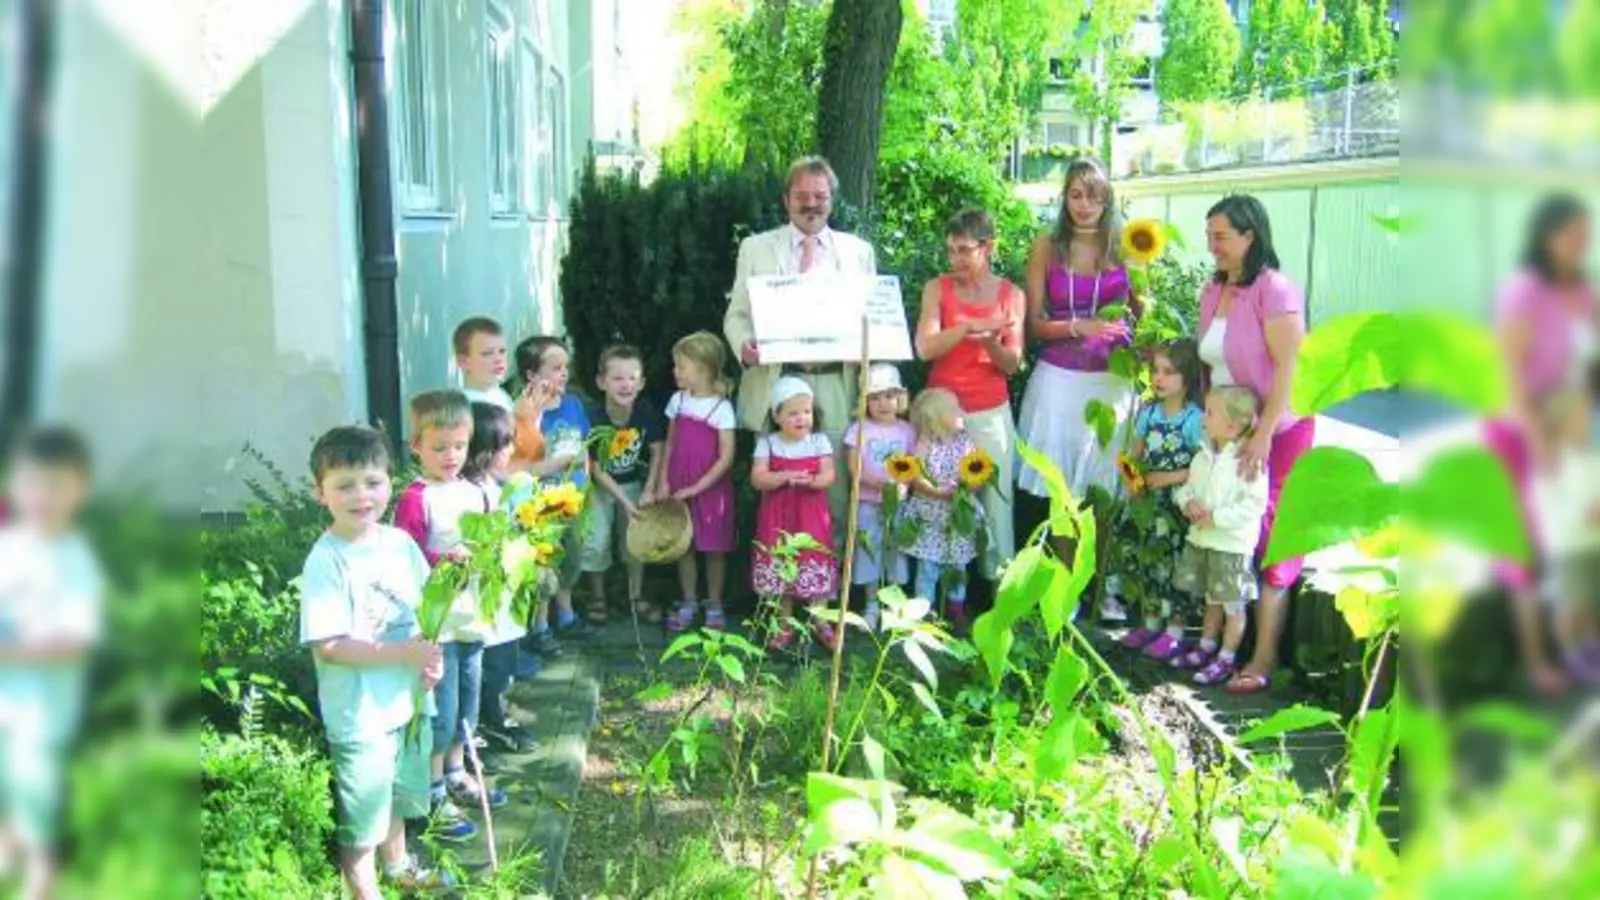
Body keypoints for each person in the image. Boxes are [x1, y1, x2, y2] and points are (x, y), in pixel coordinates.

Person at [296, 425, 448, 897]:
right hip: (360, 714)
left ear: (390, 482)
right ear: (320, 493)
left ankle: (399, 866)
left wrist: (429, 659)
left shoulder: (400, 545)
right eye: (344, 485)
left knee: (396, 796)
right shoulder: (327, 560)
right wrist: (404, 652)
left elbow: (427, 612)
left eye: (372, 482)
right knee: (363, 816)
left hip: (404, 702)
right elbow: (330, 645)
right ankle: (364, 890)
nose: (361, 495)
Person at [723, 156, 878, 539]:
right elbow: (736, 315)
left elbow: (874, 318)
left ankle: (829, 585)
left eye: (820, 195)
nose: (811, 204)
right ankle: (780, 590)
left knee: (836, 487)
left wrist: (868, 346)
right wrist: (744, 345)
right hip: (779, 380)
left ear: (833, 200)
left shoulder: (858, 252)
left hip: (835, 382)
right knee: (777, 491)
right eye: (802, 195)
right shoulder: (756, 249)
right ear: (786, 199)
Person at [1194, 194, 1312, 695]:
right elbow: (1209, 363)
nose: (1211, 245)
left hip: (1278, 433)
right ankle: (1226, 647)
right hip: (1230, 433)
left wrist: (1262, 434)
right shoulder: (1212, 290)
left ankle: (1262, 661)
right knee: (1224, 531)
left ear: (1250, 236)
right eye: (1209, 235)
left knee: (1270, 538)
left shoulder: (1274, 289)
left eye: (1220, 235)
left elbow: (1290, 365)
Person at [1488, 193, 1597, 694]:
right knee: (1526, 551)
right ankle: (1537, 661)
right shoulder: (1523, 292)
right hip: (1520, 434)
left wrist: (1573, 430)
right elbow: (1508, 377)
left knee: (1575, 543)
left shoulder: (1584, 291)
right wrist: (1541, 445)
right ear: (1545, 235)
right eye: (1571, 233)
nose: (1581, 243)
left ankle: (1578, 645)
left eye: (1585, 233)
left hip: (1568, 430)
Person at [390, 391, 506, 841]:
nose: (450, 456)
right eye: (438, 447)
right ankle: (434, 788)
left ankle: (458, 770)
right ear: (416, 445)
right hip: (437, 623)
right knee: (442, 710)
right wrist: (443, 560)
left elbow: (492, 543)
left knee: (469, 703)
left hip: (473, 616)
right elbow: (405, 556)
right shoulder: (417, 498)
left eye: (458, 445)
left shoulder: (475, 491)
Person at [0, 428, 103, 900]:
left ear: (78, 491)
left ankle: (43, 866)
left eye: (55, 485)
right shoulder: (9, 545)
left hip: (44, 706)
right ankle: (9, 845)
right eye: (31, 483)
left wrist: (13, 651)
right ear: (14, 486)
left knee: (33, 782)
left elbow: (74, 644)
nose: (41, 496)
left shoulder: (73, 558)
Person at [1016, 158, 1137, 512]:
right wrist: (1078, 326)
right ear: (1064, 198)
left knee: (1104, 492)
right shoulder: (1047, 245)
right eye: (1076, 195)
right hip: (1058, 381)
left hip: (1112, 380)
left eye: (1095, 196)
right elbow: (1034, 325)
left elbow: (1141, 317)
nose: (1085, 205)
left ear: (1108, 199)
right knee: (1058, 495)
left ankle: (1099, 569)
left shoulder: (1127, 245)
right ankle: (1060, 566)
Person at [915, 208, 1024, 584]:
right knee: (935, 501)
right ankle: (935, 600)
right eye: (950, 250)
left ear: (988, 247)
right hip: (941, 414)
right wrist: (968, 327)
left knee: (997, 505)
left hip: (990, 410)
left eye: (963, 250)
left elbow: (1012, 364)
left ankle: (1001, 591)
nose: (954, 259)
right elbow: (925, 348)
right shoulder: (937, 288)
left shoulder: (1012, 294)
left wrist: (992, 342)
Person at [1111, 339, 1206, 660]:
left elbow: (1204, 465)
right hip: (1146, 505)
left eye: (1169, 372)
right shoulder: (1148, 413)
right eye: (1155, 370)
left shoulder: (1194, 419)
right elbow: (1131, 456)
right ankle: (1150, 623)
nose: (1159, 378)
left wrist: (1168, 478)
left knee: (1173, 567)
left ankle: (1175, 632)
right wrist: (1132, 478)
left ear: (1188, 378)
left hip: (1175, 506)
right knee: (1145, 560)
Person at [1171, 386, 1271, 687]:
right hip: (1203, 540)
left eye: (1211, 412)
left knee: (1231, 603)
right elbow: (1187, 488)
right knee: (1211, 598)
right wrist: (1187, 502)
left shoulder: (1247, 462)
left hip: (1231, 546)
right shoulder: (1203, 456)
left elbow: (1254, 505)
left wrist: (1217, 518)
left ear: (1231, 425)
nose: (1204, 417)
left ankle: (1227, 658)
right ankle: (1206, 645)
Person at [461, 402, 540, 758]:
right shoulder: (470, 493)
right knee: (489, 664)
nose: (510, 451)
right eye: (503, 445)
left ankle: (498, 716)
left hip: (503, 594)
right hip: (482, 598)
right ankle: (484, 725)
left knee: (505, 659)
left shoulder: (497, 485)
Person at [654, 331, 738, 633]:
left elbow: (726, 458)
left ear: (702, 370)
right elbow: (671, 443)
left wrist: (697, 487)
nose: (675, 372)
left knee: (714, 548)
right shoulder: (677, 401)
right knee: (684, 545)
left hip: (711, 490)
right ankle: (689, 600)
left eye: (681, 367)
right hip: (679, 485)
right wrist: (664, 480)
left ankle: (713, 603)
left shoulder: (722, 408)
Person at [751, 377, 841, 651]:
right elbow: (758, 478)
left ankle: (819, 619)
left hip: (811, 516)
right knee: (781, 563)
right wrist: (785, 476)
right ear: (776, 416)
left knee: (813, 559)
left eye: (807, 411)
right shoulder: (768, 443)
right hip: (778, 518)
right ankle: (784, 621)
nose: (802, 418)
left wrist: (814, 482)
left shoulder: (818, 441)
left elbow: (829, 473)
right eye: (793, 413)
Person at [581, 345, 667, 625]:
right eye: (617, 378)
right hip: (600, 488)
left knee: (634, 543)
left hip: (631, 484)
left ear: (641, 382)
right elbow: (596, 468)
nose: (626, 384)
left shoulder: (644, 410)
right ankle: (598, 597)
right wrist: (627, 504)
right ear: (601, 382)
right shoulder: (593, 417)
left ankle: (634, 596)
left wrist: (650, 487)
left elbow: (657, 448)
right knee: (596, 542)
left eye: (632, 378)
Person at [513, 336, 592, 635]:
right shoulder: (526, 411)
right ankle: (540, 625)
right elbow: (522, 455)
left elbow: (583, 446)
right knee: (545, 561)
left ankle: (567, 615)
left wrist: (585, 482)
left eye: (565, 367)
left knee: (571, 557)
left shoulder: (572, 404)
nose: (564, 373)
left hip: (573, 497)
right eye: (556, 367)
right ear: (532, 375)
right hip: (541, 502)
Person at [1529, 387, 1600, 685]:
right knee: (1573, 603)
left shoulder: (1586, 456)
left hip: (1590, 542)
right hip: (1568, 546)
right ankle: (1572, 655)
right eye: (1582, 416)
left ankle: (1590, 650)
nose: (1589, 420)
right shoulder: (1556, 461)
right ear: (1562, 423)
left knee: (1590, 601)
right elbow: (1575, 507)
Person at [901, 388, 986, 636]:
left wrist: (968, 486)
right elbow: (915, 476)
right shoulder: (926, 443)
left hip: (957, 515)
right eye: (954, 408)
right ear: (935, 417)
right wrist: (936, 491)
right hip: (931, 516)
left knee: (957, 565)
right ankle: (923, 612)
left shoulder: (965, 441)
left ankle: (955, 610)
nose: (962, 411)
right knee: (927, 567)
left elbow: (977, 471)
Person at [843, 363, 916, 632]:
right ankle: (871, 605)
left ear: (900, 397)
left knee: (896, 550)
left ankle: (893, 605)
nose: (882, 403)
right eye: (874, 397)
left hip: (897, 503)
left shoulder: (907, 430)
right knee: (869, 551)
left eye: (888, 395)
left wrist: (900, 484)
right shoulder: (859, 428)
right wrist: (876, 484)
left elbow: (914, 464)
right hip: (867, 502)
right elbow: (853, 465)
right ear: (864, 402)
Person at [453, 315, 549, 466]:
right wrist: (520, 420)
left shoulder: (501, 395)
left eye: (502, 351)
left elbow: (528, 449)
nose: (498, 359)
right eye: (487, 353)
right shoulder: (464, 407)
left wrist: (533, 416)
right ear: (464, 361)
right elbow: (492, 463)